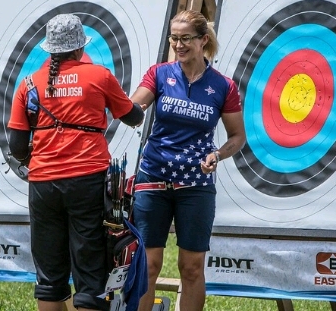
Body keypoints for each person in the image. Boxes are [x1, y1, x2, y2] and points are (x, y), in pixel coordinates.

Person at [7, 13, 144, 311]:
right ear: (80, 48)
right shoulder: (100, 76)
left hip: (43, 184)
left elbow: (16, 146)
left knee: (50, 276)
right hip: (88, 180)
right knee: (91, 271)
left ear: (50, 49)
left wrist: (41, 156)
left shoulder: (29, 84)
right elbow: (133, 116)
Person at [129, 10, 246, 311]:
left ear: (203, 40)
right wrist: (124, 108)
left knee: (191, 267)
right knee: (148, 265)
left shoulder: (223, 86)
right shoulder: (159, 73)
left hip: (196, 184)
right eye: (174, 38)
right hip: (153, 176)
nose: (178, 45)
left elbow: (237, 137)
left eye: (185, 39)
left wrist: (218, 154)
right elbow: (136, 104)